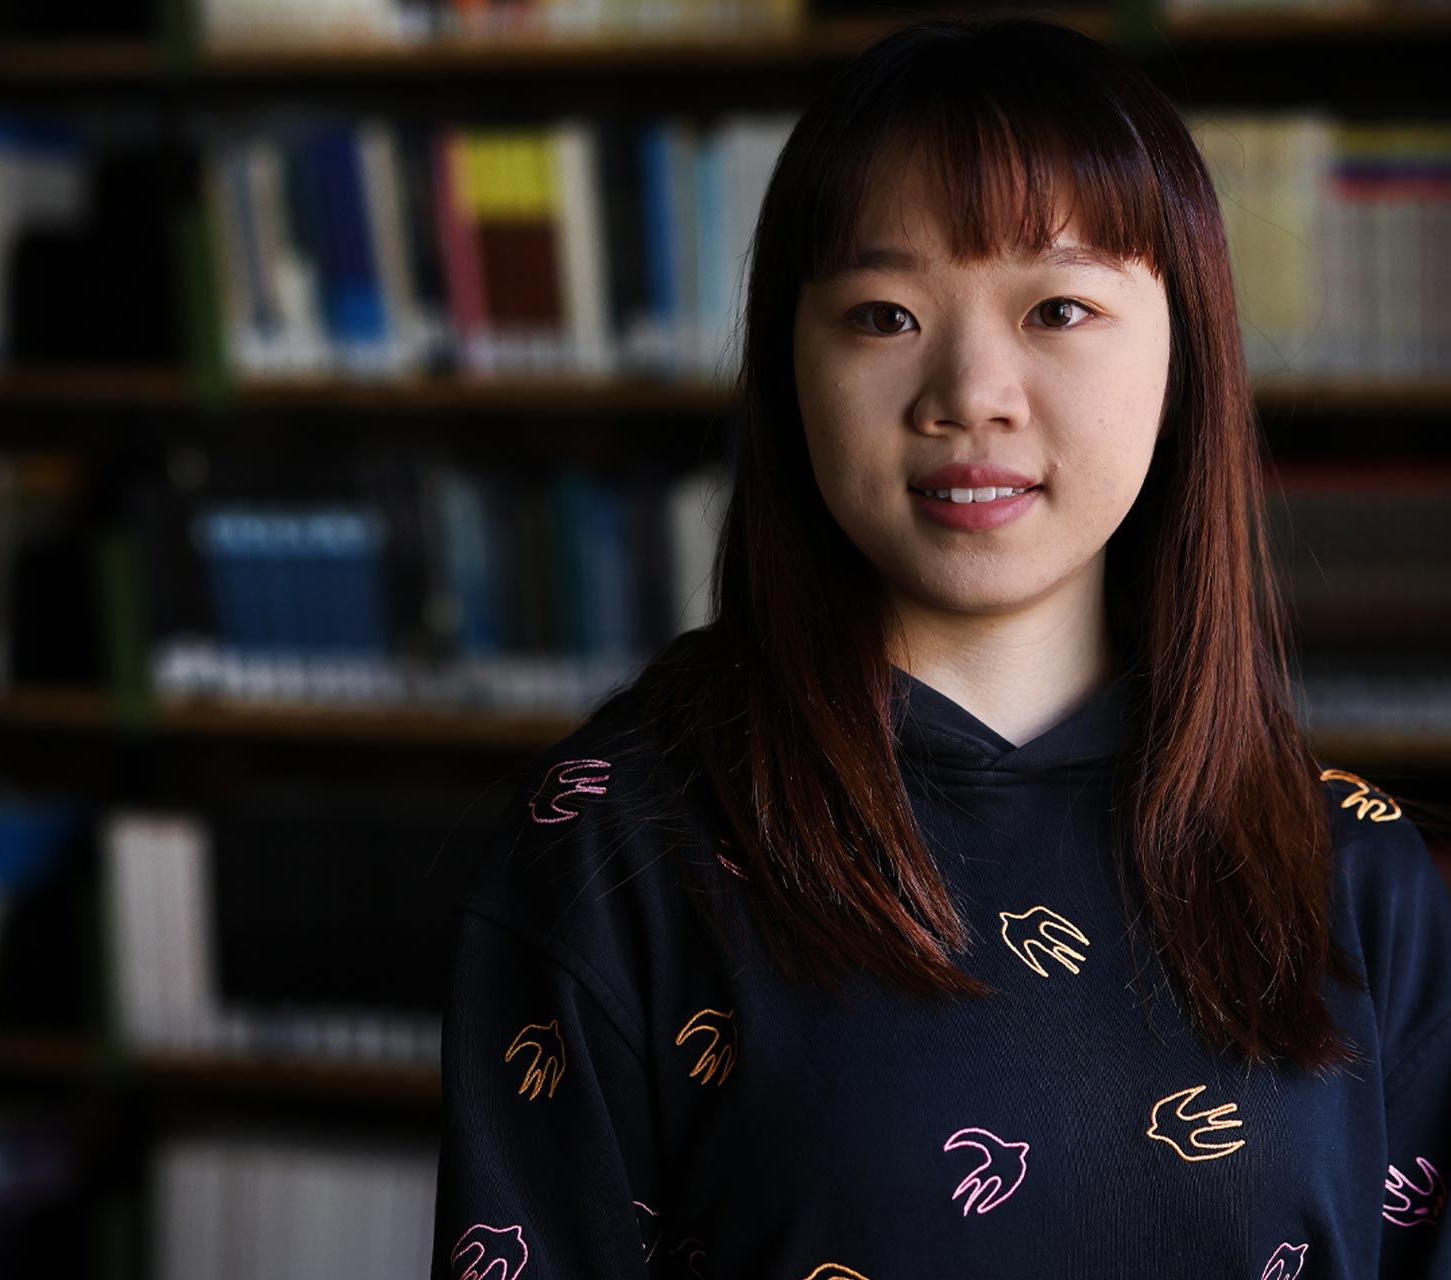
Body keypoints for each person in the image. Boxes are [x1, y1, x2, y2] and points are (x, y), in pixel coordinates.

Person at [429, 16, 1451, 1279]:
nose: (970, 389)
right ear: (787, 362)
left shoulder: (1359, 876)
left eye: (1060, 307)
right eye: (883, 314)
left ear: (1187, 352)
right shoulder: (615, 846)